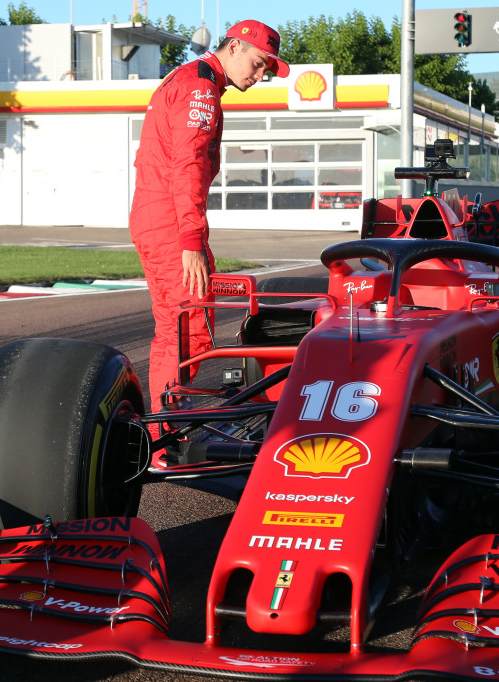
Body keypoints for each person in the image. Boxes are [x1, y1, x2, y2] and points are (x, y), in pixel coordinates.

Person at [129, 19, 288, 445]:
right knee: (190, 328)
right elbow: (189, 169)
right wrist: (191, 242)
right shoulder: (200, 89)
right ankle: (168, 432)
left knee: (174, 329)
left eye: (267, 71)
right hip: (168, 220)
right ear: (233, 47)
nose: (259, 77)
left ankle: (167, 425)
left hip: (155, 214)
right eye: (257, 65)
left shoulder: (189, 79)